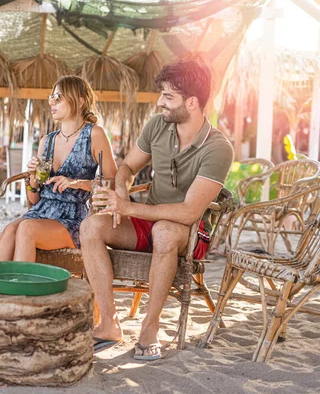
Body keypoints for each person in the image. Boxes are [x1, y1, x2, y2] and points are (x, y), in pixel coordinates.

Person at [80, 59, 234, 359]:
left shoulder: (218, 148)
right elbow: (126, 166)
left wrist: (128, 208)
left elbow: (190, 213)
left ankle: (150, 328)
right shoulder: (158, 125)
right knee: (90, 226)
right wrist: (120, 190)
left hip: (190, 232)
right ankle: (109, 323)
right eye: (161, 93)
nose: (160, 102)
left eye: (168, 96)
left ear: (191, 102)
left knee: (164, 231)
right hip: (149, 220)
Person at [0, 75, 117, 262]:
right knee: (9, 231)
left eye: (58, 97)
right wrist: (33, 177)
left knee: (26, 228)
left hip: (74, 217)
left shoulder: (94, 134)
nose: (52, 103)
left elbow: (112, 183)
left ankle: (21, 289)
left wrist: (77, 183)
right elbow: (34, 198)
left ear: (80, 101)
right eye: (51, 98)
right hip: (41, 211)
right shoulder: (46, 141)